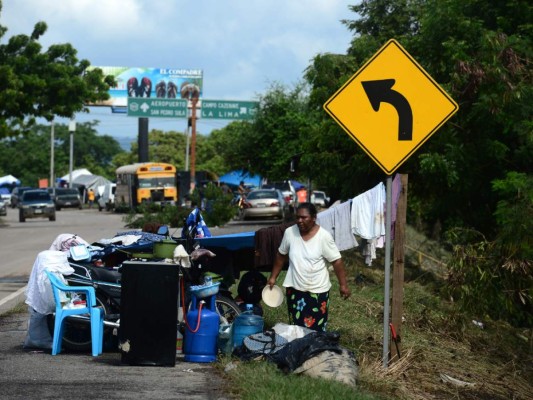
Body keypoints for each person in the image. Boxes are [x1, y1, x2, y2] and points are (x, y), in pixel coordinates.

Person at [267, 202, 351, 331]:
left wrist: (343, 285)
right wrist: (273, 277)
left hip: (317, 290)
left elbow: (336, 261)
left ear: (313, 217)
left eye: (304, 217)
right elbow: (280, 255)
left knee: (316, 330)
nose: (300, 221)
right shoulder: (290, 233)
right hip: (295, 289)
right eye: (297, 217)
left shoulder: (323, 236)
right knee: (296, 328)